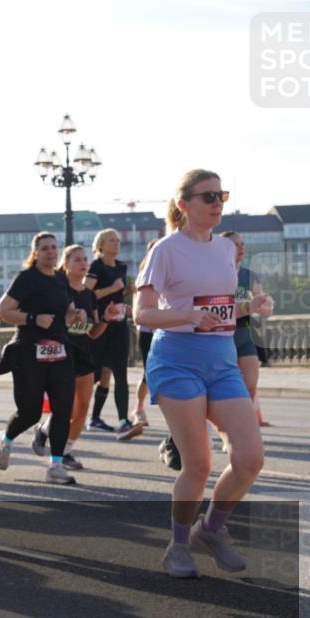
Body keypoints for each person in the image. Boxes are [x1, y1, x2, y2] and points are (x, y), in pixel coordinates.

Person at [135, 169, 272, 578]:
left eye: (221, 195)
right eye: (208, 196)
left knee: (250, 459)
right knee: (198, 464)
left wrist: (251, 308)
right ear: (184, 205)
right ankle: (177, 546)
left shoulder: (225, 251)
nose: (217, 203)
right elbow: (142, 314)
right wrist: (188, 315)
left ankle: (210, 530)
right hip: (177, 360)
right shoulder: (165, 249)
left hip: (222, 359)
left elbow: (221, 308)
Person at [0, 232, 85, 485]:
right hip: (29, 353)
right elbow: (3, 311)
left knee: (63, 408)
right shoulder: (26, 279)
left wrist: (74, 314)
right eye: (45, 248)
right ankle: (6, 439)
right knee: (31, 412)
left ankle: (55, 466)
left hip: (60, 352)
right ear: (35, 253)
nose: (51, 252)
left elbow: (64, 312)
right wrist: (33, 319)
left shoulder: (60, 279)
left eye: (54, 248)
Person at [32, 245, 110, 470]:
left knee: (83, 407)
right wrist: (68, 318)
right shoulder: (57, 290)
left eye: (85, 259)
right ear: (65, 265)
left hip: (84, 354)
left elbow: (93, 332)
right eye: (77, 260)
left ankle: (65, 450)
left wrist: (106, 319)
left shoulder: (89, 295)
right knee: (64, 407)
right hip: (60, 354)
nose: (84, 263)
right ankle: (47, 433)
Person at [86, 229, 144, 440]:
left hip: (119, 325)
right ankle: (71, 414)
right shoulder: (96, 266)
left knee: (119, 373)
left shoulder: (121, 267)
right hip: (99, 326)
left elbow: (118, 294)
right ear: (101, 244)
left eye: (118, 240)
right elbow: (86, 293)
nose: (116, 244)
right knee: (94, 374)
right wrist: (111, 289)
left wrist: (127, 293)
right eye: (111, 240)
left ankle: (122, 421)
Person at [219, 231, 269, 428]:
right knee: (223, 387)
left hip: (245, 333)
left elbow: (262, 301)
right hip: (222, 335)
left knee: (250, 383)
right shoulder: (215, 273)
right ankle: (226, 426)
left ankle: (243, 427)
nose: (241, 248)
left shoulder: (250, 275)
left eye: (242, 244)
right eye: (235, 245)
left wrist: (265, 306)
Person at [132, 239, 160, 427]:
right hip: (149, 330)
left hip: (168, 329)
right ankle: (139, 408)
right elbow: (139, 309)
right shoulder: (144, 275)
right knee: (148, 372)